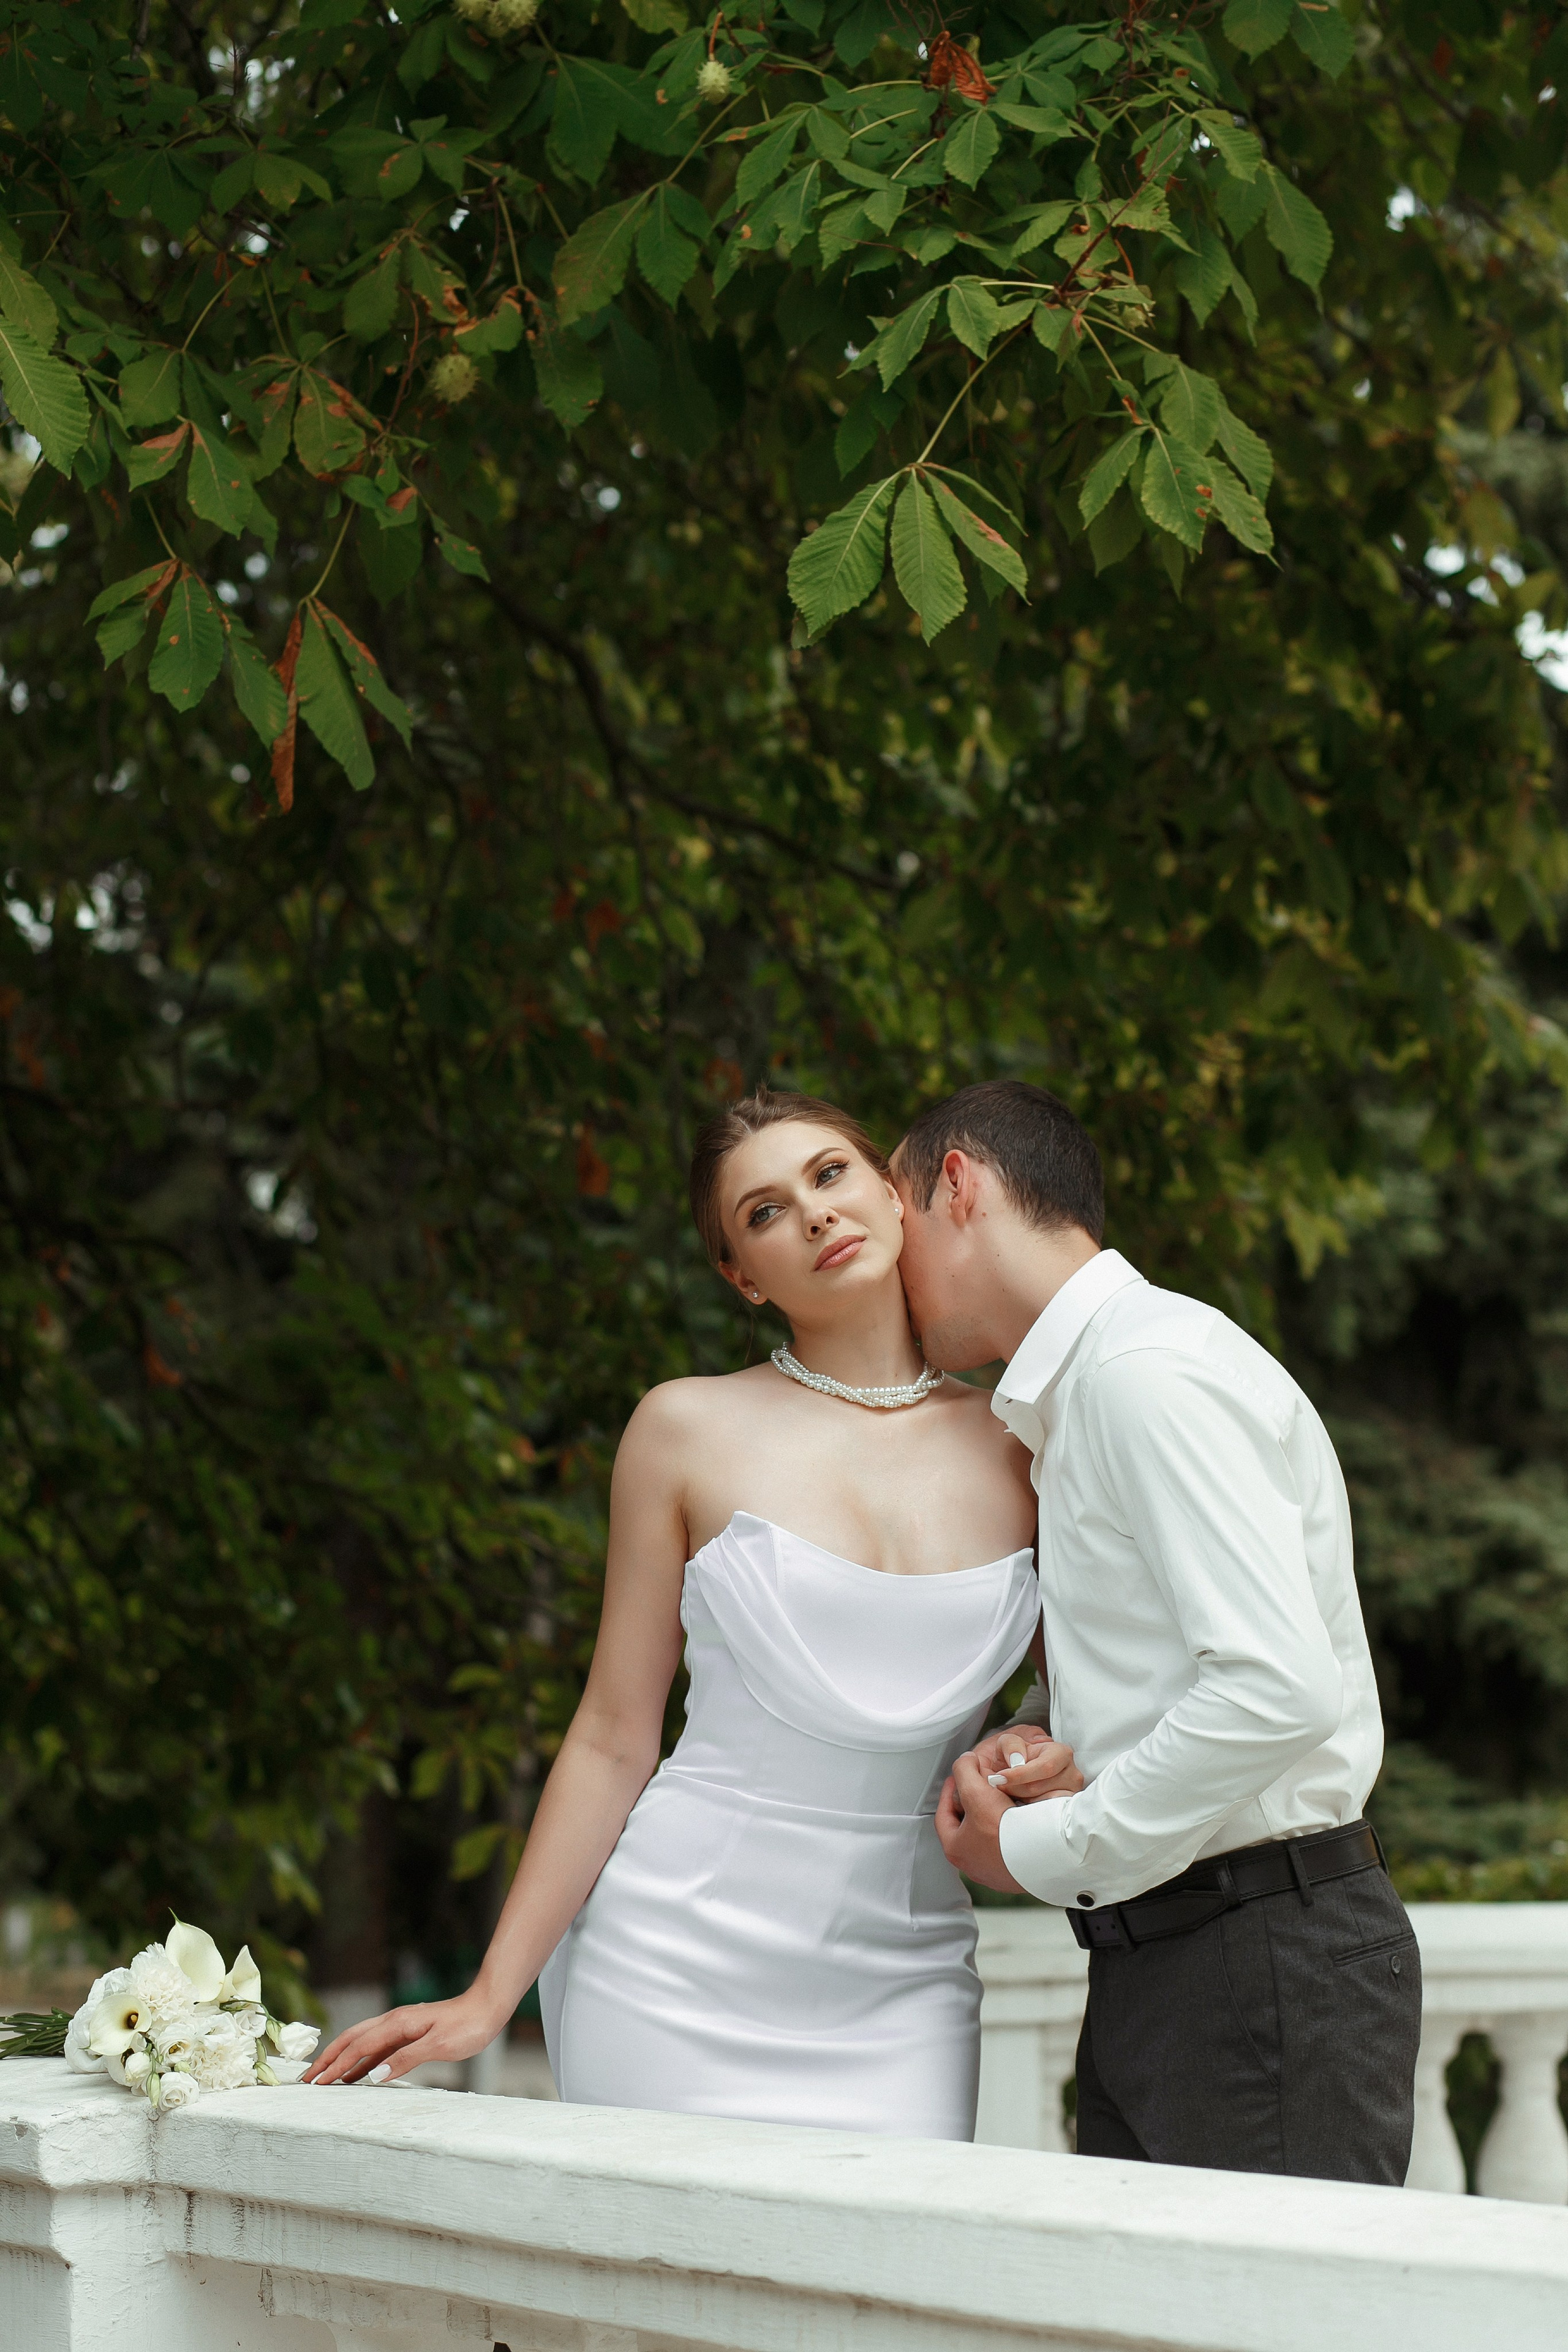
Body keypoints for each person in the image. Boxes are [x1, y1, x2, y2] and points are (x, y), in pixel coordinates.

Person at [307, 1088, 1077, 2138]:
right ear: (739, 1276)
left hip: (905, 1981)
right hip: (674, 1962)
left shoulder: (1025, 1441)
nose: (810, 1215)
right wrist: (491, 1996)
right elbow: (612, 1737)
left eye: (829, 1175)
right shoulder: (683, 1430)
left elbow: (1074, 1694)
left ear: (898, 1197)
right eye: (761, 1213)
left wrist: (1028, 1744)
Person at [891, 1079, 1420, 2186]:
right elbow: (1177, 1666)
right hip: (1180, 1960)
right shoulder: (1090, 1393)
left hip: (1257, 1954)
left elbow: (1277, 1689)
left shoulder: (1146, 1375)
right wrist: (1041, 1734)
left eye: (899, 1221)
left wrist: (1033, 1852)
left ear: (959, 1186)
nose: (889, 1270)